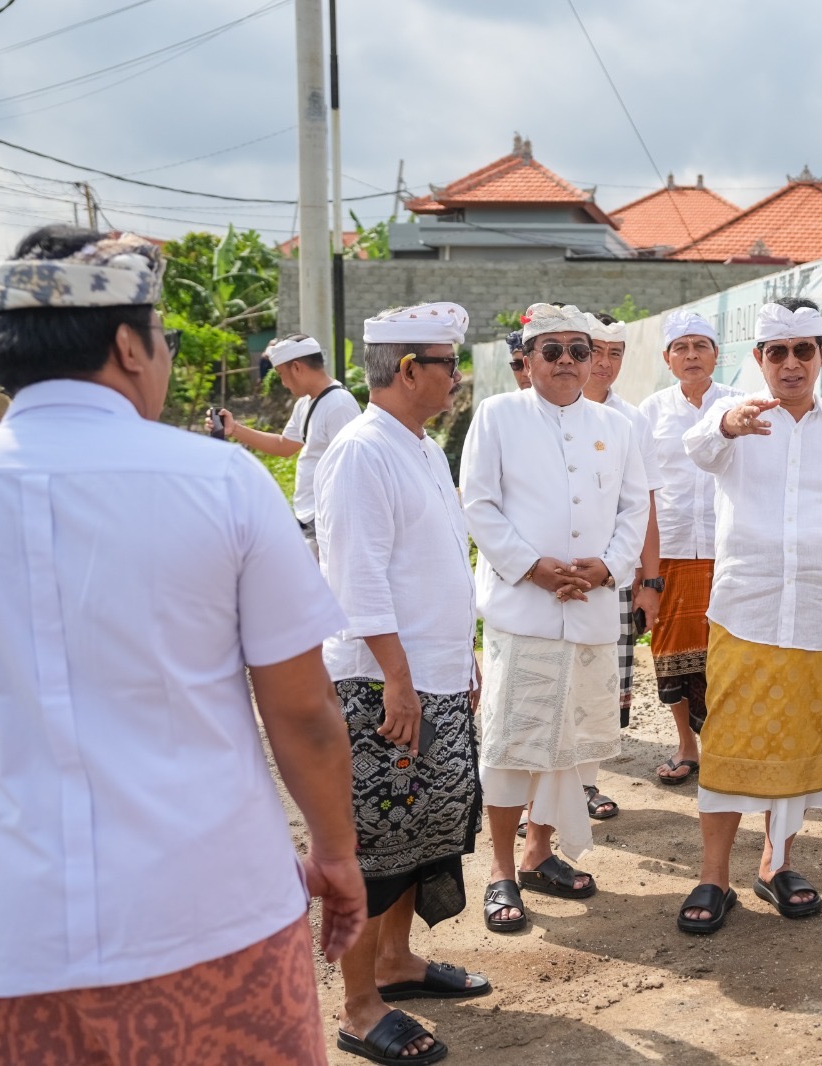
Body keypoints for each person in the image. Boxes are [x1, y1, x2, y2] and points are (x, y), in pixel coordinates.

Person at [0, 226, 365, 1065]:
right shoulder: (221, 481)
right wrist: (337, 854)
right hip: (214, 909)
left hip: (17, 930)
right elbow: (305, 711)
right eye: (164, 338)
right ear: (130, 346)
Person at [675, 299, 822, 934]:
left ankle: (776, 864)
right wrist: (727, 428)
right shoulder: (732, 418)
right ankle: (714, 877)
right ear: (759, 360)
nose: (791, 363)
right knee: (730, 747)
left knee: (800, 747)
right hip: (745, 614)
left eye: (804, 350)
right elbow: (696, 451)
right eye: (777, 352)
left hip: (818, 617)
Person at [314, 301, 487, 1065]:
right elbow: (358, 582)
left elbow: (435, 565)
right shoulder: (361, 450)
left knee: (424, 826)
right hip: (383, 682)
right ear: (410, 369)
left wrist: (460, 656)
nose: (459, 377)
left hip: (432, 674)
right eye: (450, 364)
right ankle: (358, 1006)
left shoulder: (418, 445)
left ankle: (397, 963)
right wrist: (399, 680)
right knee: (374, 839)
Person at [460, 302, 649, 933]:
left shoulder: (618, 425)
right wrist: (532, 566)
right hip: (524, 610)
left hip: (593, 606)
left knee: (569, 747)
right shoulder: (497, 415)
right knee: (513, 744)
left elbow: (633, 512)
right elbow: (479, 504)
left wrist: (606, 569)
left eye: (579, 349)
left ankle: (541, 852)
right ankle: (501, 870)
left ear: (594, 358)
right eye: (552, 350)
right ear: (528, 360)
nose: (567, 360)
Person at [638, 310, 741, 784]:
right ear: (667, 358)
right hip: (672, 549)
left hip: (731, 549)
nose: (692, 355)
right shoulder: (650, 413)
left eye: (701, 346)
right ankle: (687, 745)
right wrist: (646, 569)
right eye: (682, 347)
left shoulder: (741, 406)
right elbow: (639, 490)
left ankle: (728, 746)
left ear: (717, 355)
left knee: (729, 652)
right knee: (672, 653)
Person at [577, 311, 663, 820]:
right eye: (596, 350)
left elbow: (645, 506)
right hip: (552, 577)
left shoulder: (632, 421)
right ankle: (536, 797)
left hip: (615, 579)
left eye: (615, 353)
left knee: (602, 685)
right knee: (553, 684)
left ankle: (586, 783)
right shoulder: (535, 413)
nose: (604, 364)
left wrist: (649, 581)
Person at [209, 332, 361, 556]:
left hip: (327, 520)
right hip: (309, 517)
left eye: (281, 374)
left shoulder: (339, 405)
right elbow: (284, 445)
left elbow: (353, 470)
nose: (282, 382)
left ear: (297, 367)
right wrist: (236, 429)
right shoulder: (306, 403)